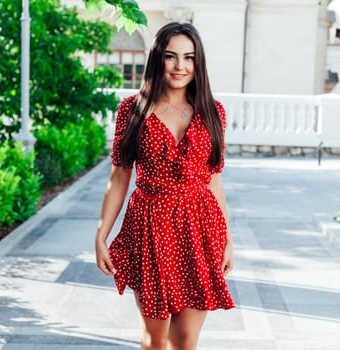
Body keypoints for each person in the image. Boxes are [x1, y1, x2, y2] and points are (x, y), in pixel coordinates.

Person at [95, 22, 234, 350]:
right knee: (155, 340)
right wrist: (101, 235)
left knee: (185, 341)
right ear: (158, 59)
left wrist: (228, 239)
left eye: (189, 57)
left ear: (198, 62)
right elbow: (119, 177)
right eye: (171, 57)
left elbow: (214, 179)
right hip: (151, 227)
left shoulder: (213, 112)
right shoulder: (133, 110)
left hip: (201, 229)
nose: (180, 66)